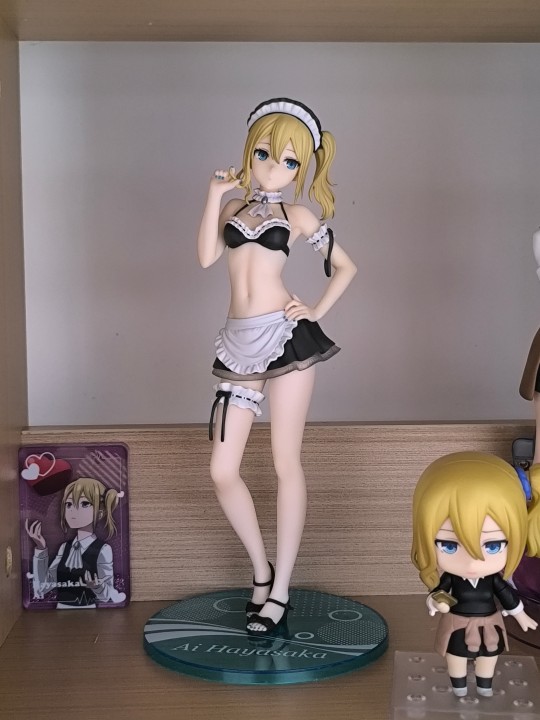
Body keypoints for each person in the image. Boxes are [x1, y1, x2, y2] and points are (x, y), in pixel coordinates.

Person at [198, 98, 357, 635]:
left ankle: (281, 588)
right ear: (249, 150)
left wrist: (315, 309)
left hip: (288, 341)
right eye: (265, 154)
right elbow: (205, 257)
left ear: (302, 168)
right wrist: (214, 194)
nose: (273, 169)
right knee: (222, 470)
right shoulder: (232, 208)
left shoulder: (298, 217)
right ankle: (261, 570)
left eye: (290, 162)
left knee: (287, 461)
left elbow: (345, 267)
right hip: (237, 343)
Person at [411, 452, 540, 696]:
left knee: (489, 656)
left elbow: (507, 595)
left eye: (493, 546)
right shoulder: (452, 578)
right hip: (456, 623)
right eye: (449, 546)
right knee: (456, 656)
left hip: (489, 623)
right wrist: (435, 602)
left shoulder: (494, 580)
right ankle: (458, 687)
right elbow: (437, 592)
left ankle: (484, 686)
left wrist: (520, 615)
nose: (471, 561)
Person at [25, 477, 126, 608]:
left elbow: (107, 596)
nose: (73, 510)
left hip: (91, 612)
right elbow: (42, 588)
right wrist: (41, 548)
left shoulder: (103, 549)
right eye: (69, 504)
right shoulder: (64, 547)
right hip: (58, 613)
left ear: (100, 513)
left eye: (84, 504)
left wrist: (97, 586)